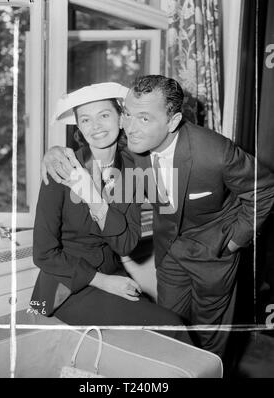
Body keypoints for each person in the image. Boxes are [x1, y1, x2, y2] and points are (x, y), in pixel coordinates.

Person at [42, 75, 274, 357]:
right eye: (127, 114)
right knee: (168, 331)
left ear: (173, 122)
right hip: (168, 255)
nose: (131, 127)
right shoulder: (131, 150)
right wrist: (53, 153)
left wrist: (235, 241)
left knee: (210, 338)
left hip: (215, 252)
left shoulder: (213, 152)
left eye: (144, 119)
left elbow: (263, 189)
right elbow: (97, 138)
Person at [31, 81, 191, 344]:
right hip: (66, 287)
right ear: (79, 128)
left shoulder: (133, 170)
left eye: (104, 115)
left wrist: (95, 200)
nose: (95, 126)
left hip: (112, 275)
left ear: (121, 119)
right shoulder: (60, 170)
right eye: (85, 119)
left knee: (164, 330)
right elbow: (43, 253)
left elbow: (125, 244)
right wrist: (103, 281)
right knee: (170, 327)